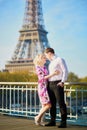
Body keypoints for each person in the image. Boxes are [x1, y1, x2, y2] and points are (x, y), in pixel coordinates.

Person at [44, 48, 68, 128]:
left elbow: (65, 70)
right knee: (52, 104)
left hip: (58, 83)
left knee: (61, 103)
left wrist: (62, 81)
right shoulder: (51, 63)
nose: (46, 57)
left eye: (46, 55)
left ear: (50, 53)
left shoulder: (59, 59)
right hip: (50, 84)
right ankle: (52, 121)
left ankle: (63, 122)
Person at [33, 54, 60, 126]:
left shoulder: (44, 67)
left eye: (45, 57)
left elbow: (47, 77)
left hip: (46, 87)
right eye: (44, 58)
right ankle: (37, 117)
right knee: (48, 105)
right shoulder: (38, 67)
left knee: (44, 105)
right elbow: (42, 78)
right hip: (42, 88)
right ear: (40, 59)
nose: (45, 59)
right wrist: (53, 74)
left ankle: (39, 120)